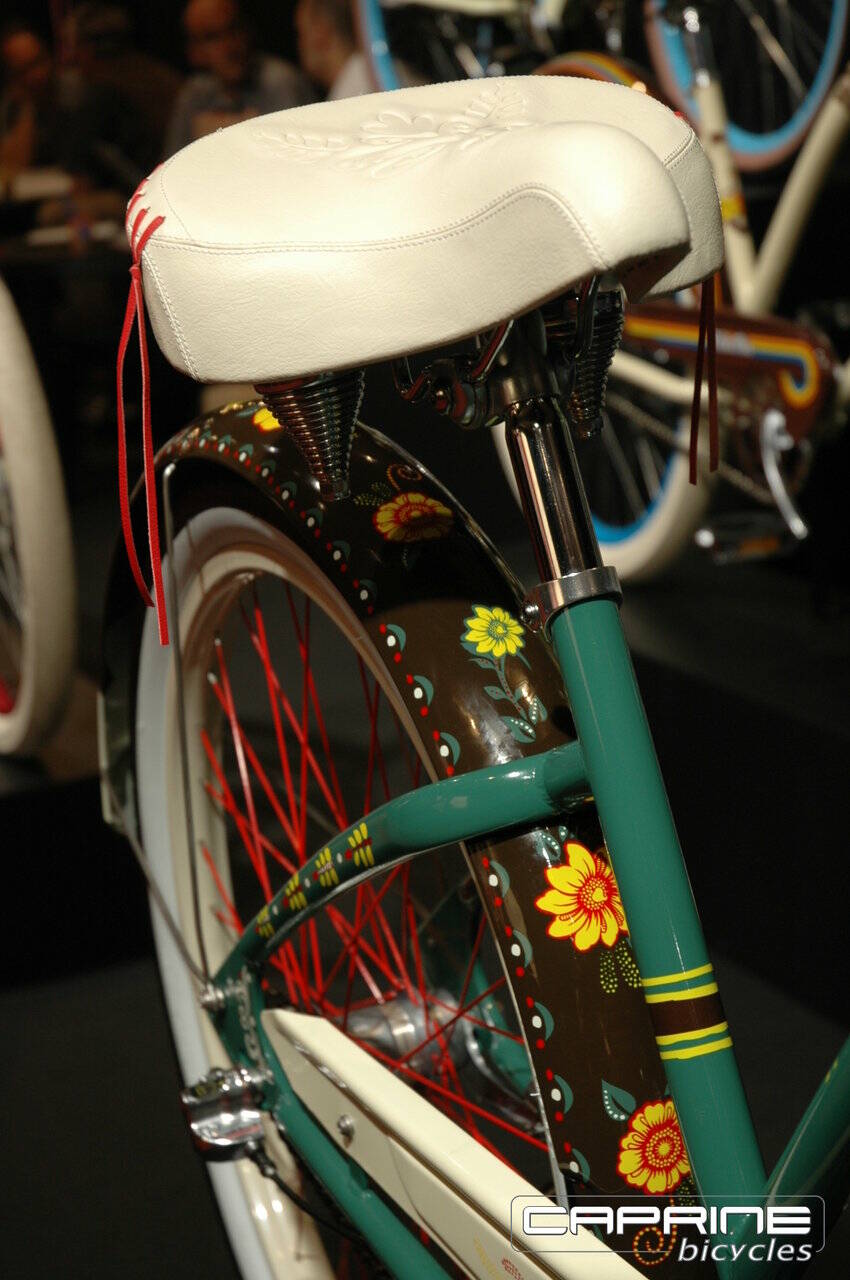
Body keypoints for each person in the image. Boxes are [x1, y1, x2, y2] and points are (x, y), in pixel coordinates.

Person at [165, 0, 315, 157]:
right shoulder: (195, 94)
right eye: (213, 37)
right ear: (194, 51)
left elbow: (300, 159)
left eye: (233, 29)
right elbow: (168, 165)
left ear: (249, 31)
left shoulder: (280, 83)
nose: (229, 47)